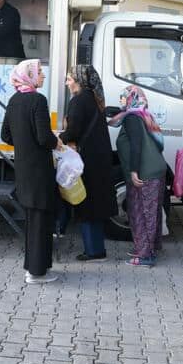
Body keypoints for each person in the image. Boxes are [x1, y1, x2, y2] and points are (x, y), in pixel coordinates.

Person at [2, 59, 61, 283]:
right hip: (39, 169)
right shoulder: (38, 100)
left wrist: (23, 142)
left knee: (33, 219)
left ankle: (35, 267)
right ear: (29, 74)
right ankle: (36, 272)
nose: (43, 76)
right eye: (40, 73)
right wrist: (58, 144)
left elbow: (5, 135)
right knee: (40, 220)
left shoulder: (14, 100)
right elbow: (44, 137)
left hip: (24, 168)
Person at [59, 65, 117, 262]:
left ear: (79, 80)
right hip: (99, 157)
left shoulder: (79, 100)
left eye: (69, 79)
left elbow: (73, 130)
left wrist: (59, 138)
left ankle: (93, 251)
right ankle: (97, 249)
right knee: (97, 204)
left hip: (87, 160)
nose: (67, 83)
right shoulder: (95, 97)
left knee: (86, 203)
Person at [112, 85, 166, 267]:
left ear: (131, 99)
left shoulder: (132, 118)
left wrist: (134, 171)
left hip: (145, 172)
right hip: (155, 169)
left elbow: (136, 145)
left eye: (122, 97)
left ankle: (145, 256)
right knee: (149, 212)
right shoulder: (143, 115)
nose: (120, 100)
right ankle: (148, 249)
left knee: (143, 214)